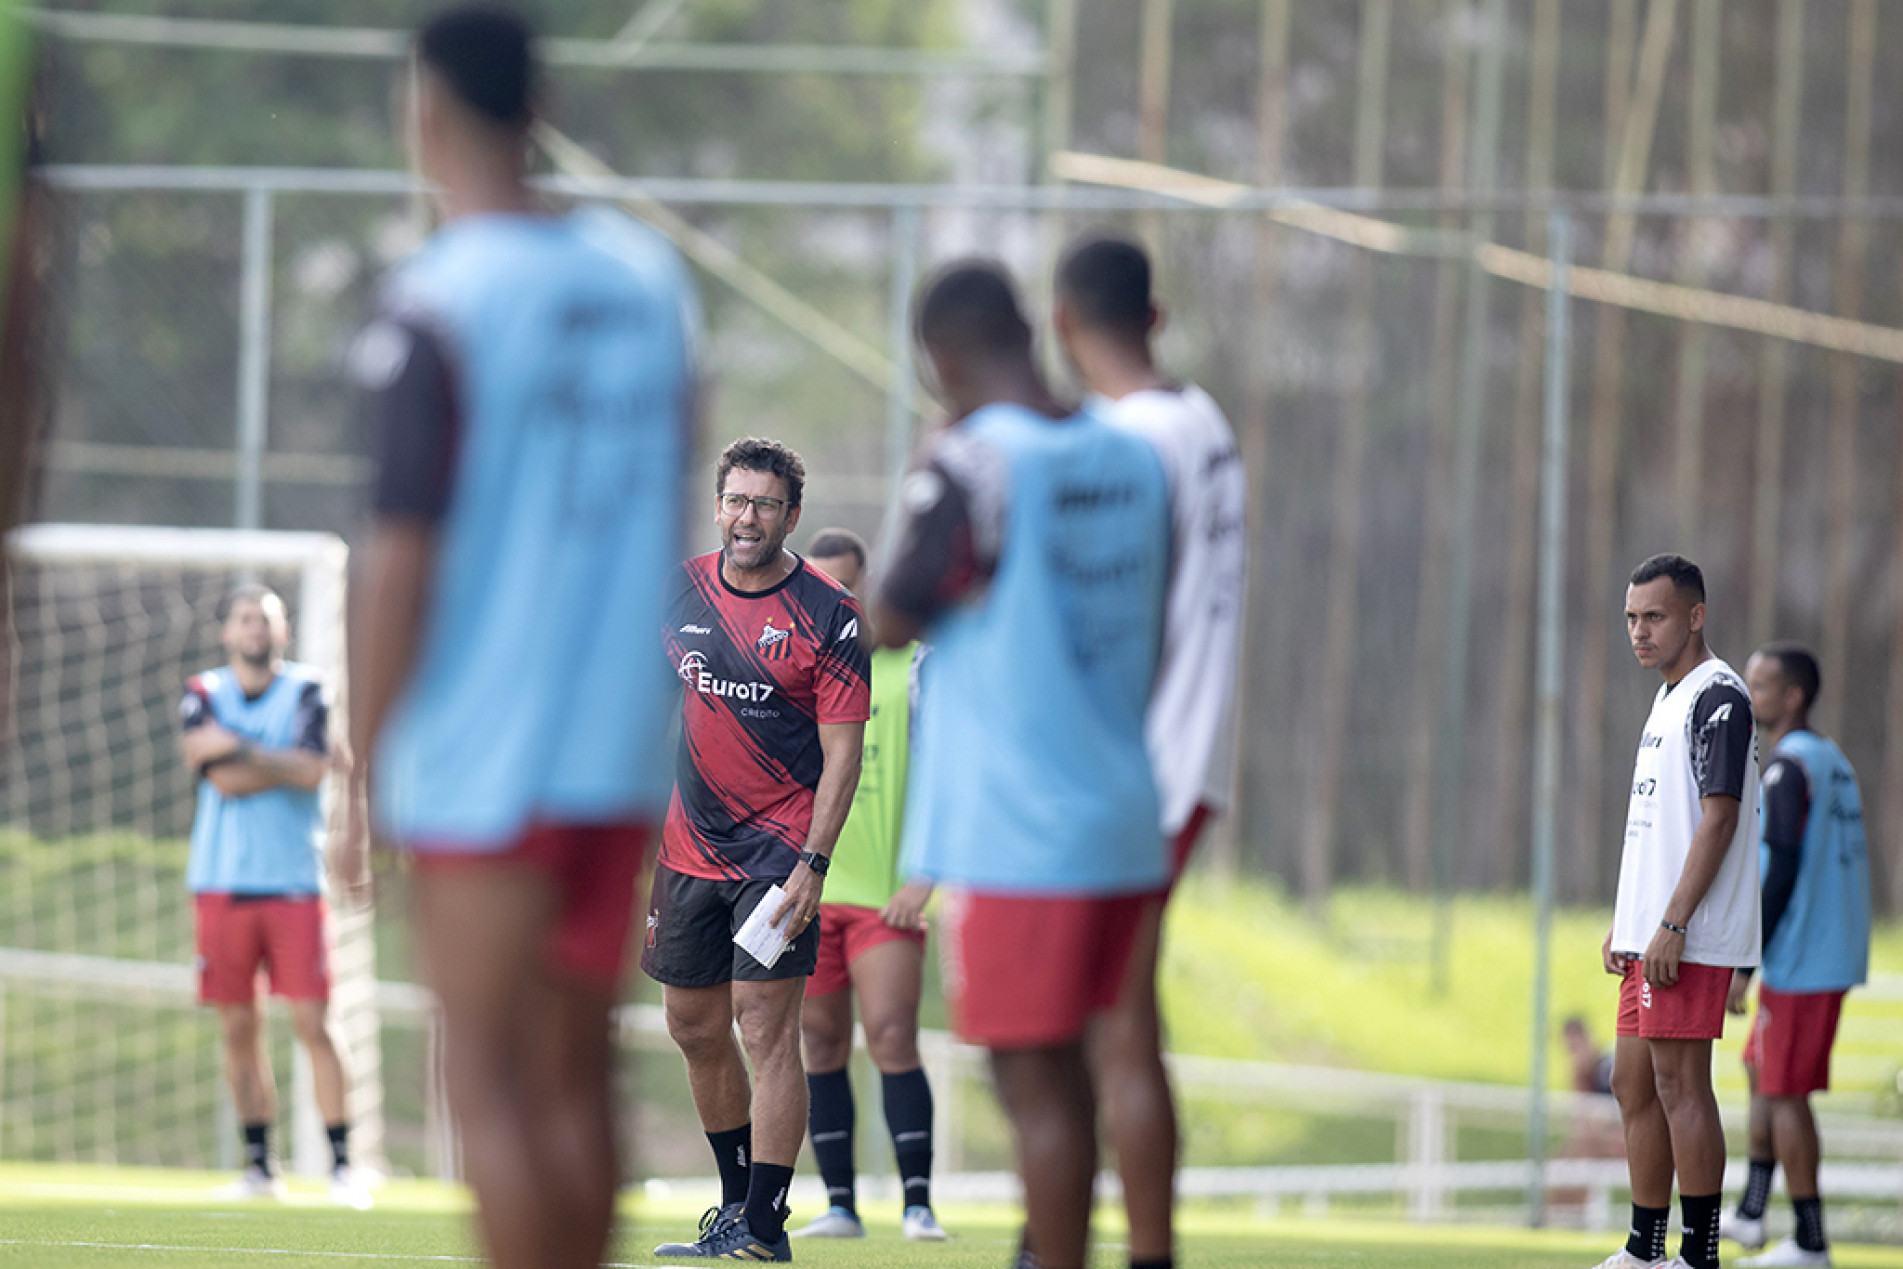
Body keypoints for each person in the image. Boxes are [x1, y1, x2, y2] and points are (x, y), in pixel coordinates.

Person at [349, 7, 696, 1267]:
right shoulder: (649, 283)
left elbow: (401, 562)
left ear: (425, 112)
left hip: (480, 752)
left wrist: (360, 760)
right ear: (541, 106)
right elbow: (670, 506)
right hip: (611, 749)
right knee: (579, 1081)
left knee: (484, 1081)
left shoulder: (438, 297)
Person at [869, 260, 1172, 1269]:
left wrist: (930, 457)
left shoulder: (975, 460)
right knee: (1091, 1067)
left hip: (1016, 828)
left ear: (942, 360)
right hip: (1122, 815)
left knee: (1033, 1090)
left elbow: (890, 615)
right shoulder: (1131, 456)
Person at [1052, 232, 1246, 1269]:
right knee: (1117, 1017)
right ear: (1157, 317)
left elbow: (1109, 615)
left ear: (1060, 324)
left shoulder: (1123, 444)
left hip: (1137, 766)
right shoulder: (1201, 421)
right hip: (1190, 753)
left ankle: (1134, 1250)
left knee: (1108, 1025)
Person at [645, 438, 870, 1262]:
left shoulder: (829, 612)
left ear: (792, 516)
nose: (748, 517)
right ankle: (734, 1206)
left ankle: (766, 1227)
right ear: (717, 505)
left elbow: (842, 753)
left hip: (779, 854)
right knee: (691, 1023)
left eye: (765, 504)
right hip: (686, 849)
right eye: (736, 501)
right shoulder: (680, 588)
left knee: (762, 1024)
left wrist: (814, 864)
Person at [178, 584, 368, 1209]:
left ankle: (344, 1166)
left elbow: (312, 771)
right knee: (238, 1026)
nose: (254, 626)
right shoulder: (203, 690)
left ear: (282, 632)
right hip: (221, 883)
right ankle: (262, 1166)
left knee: (314, 1021)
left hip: (293, 881)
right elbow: (227, 781)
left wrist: (238, 749)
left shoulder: (308, 690)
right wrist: (283, 759)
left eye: (266, 617)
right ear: (228, 632)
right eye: (243, 617)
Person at [1596, 553, 1760, 1269]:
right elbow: (1656, 826)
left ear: (1694, 614)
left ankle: (1698, 1255)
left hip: (1684, 937)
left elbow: (1717, 818)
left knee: (1678, 1083)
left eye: (1654, 616)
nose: (1639, 630)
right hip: (1648, 932)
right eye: (1631, 617)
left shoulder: (1717, 695)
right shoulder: (1666, 696)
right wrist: (1627, 919)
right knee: (1629, 1081)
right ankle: (1644, 1249)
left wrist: (1671, 921)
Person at [789, 528, 945, 1244]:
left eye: (839, 588)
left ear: (863, 586)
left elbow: (952, 772)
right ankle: (840, 1205)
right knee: (818, 1045)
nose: (825, 602)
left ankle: (917, 1203)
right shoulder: (788, 664)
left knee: (889, 1033)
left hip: (886, 892)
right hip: (806, 892)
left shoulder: (910, 666)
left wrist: (926, 873)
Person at [1721, 644, 1871, 1268]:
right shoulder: (1831, 759)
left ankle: (1811, 1243)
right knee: (1761, 1070)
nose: (1750, 695)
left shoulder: (1786, 769)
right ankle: (1754, 1210)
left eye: (1760, 686)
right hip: (1823, 952)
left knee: (1786, 1094)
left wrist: (1743, 963)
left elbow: (1779, 869)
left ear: (1793, 697)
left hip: (1802, 957)